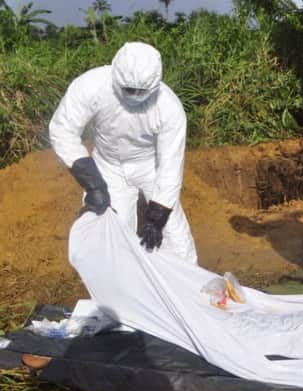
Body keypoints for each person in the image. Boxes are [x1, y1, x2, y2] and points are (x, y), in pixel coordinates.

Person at [49, 41, 197, 264]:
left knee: (174, 240)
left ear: (155, 84)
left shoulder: (169, 108)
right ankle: (119, 296)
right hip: (107, 166)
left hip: (149, 166)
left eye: (142, 90)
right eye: (129, 89)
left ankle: (183, 292)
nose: (135, 95)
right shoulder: (91, 86)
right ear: (115, 75)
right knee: (112, 237)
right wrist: (93, 184)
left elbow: (170, 166)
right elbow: (63, 129)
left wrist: (157, 217)